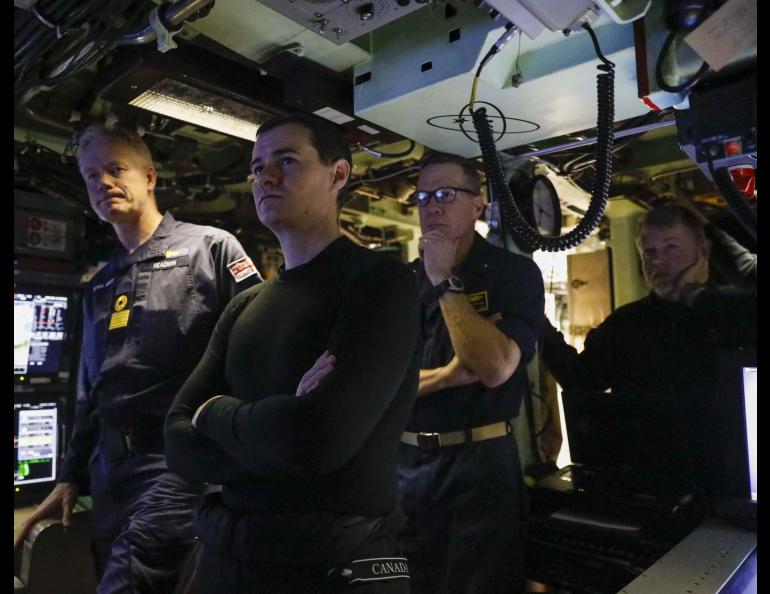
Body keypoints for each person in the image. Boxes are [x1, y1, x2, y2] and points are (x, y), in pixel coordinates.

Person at [163, 113, 421, 593]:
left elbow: (316, 440)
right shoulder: (245, 305)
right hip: (230, 557)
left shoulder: (380, 285)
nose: (267, 177)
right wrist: (280, 426)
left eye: (287, 160)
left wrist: (215, 412)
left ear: (338, 174)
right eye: (258, 167)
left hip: (339, 565)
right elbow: (178, 441)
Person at [13, 124, 261, 593]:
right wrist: (70, 476)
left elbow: (262, 344)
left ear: (149, 177)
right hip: (109, 472)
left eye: (115, 169)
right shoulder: (100, 284)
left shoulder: (209, 248)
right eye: (90, 176)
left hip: (176, 461)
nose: (102, 183)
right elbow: (92, 392)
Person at [396, 152, 545, 594]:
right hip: (403, 467)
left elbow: (495, 367)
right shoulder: (400, 283)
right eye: (423, 197)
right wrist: (447, 376)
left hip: (478, 467)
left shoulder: (513, 274)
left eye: (445, 194)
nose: (432, 206)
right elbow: (375, 384)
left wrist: (443, 280)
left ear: (478, 205)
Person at [539, 203, 756, 490]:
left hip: (729, 483)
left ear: (703, 251)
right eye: (649, 252)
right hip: (650, 483)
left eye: (670, 248)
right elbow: (583, 380)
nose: (657, 262)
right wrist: (536, 324)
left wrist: (693, 295)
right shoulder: (626, 323)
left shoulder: (735, 315)